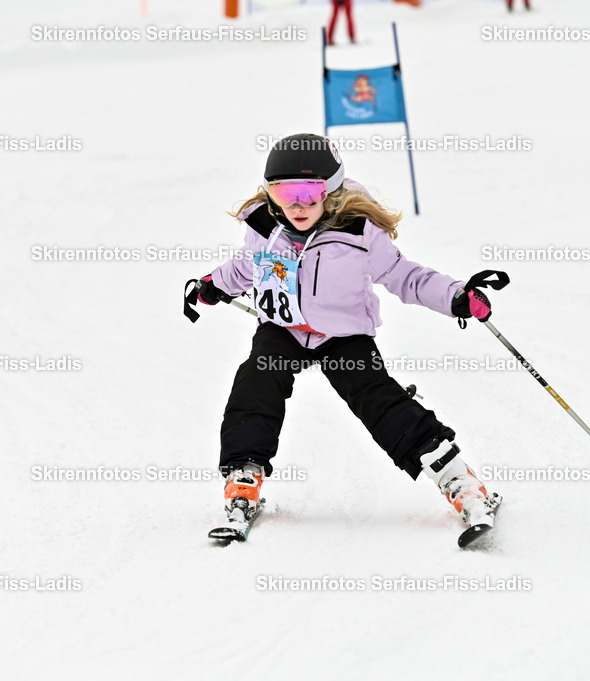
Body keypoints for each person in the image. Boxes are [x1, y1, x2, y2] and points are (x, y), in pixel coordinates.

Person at [189, 133, 502, 545]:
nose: (296, 205)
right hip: (283, 330)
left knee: (379, 399)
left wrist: (456, 297)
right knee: (255, 382)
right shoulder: (265, 227)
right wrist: (212, 286)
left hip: (342, 335)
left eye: (308, 191)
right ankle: (243, 479)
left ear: (331, 189)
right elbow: (245, 267)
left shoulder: (358, 231)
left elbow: (405, 276)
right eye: (283, 192)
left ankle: (460, 483)